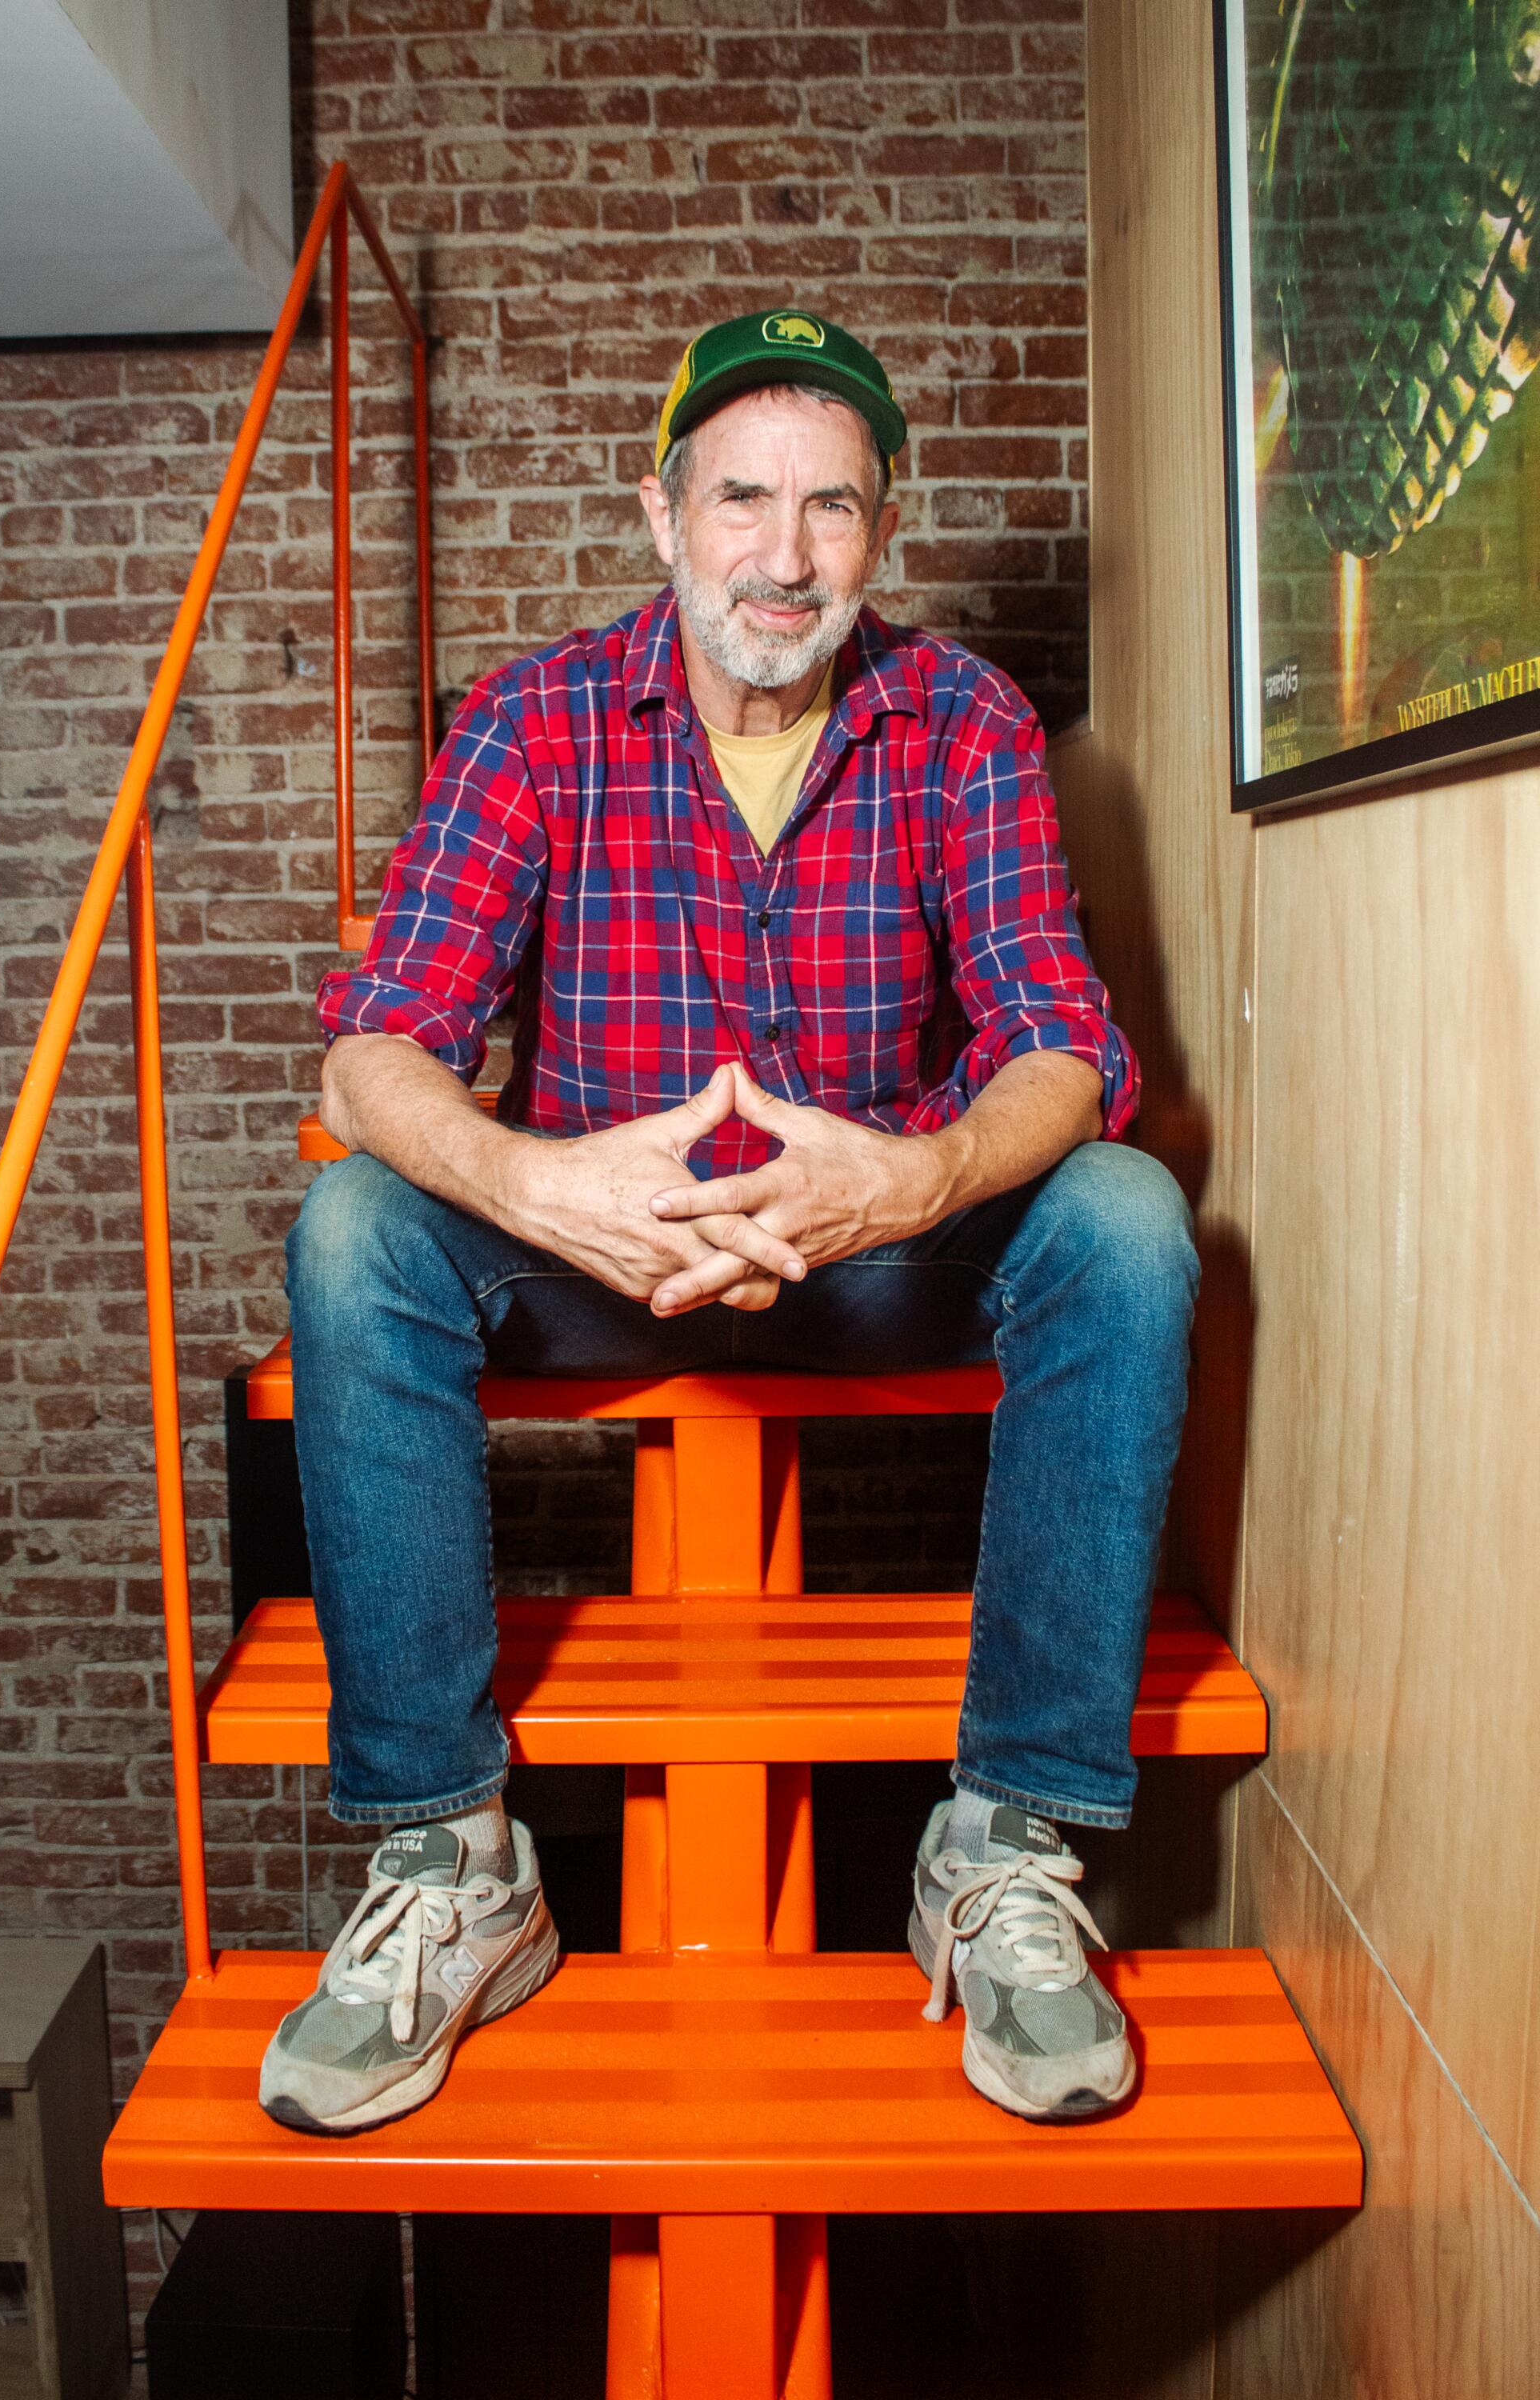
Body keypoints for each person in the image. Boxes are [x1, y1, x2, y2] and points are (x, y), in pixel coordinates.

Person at [257, 310, 1199, 2138]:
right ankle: (455, 1866)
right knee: (360, 1225)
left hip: (873, 1253)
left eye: (832, 508)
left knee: (1128, 1213)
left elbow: (1063, 1046)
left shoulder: (959, 721)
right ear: (661, 513)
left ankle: (1001, 1848)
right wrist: (542, 1182)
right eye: (743, 499)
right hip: (598, 1250)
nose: (785, 555)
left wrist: (907, 1179)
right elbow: (383, 1042)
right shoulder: (535, 718)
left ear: (883, 529)